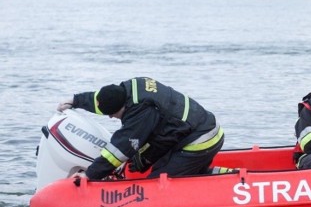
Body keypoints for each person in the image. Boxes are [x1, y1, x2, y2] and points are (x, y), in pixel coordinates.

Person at [57, 77, 224, 180]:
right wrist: (75, 100)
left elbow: (119, 150)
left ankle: (229, 182)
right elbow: (101, 99)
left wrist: (90, 174)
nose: (110, 117)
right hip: (194, 130)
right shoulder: (129, 88)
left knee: (161, 180)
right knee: (159, 166)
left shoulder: (140, 113)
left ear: (121, 108)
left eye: (113, 115)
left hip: (201, 139)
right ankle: (227, 176)